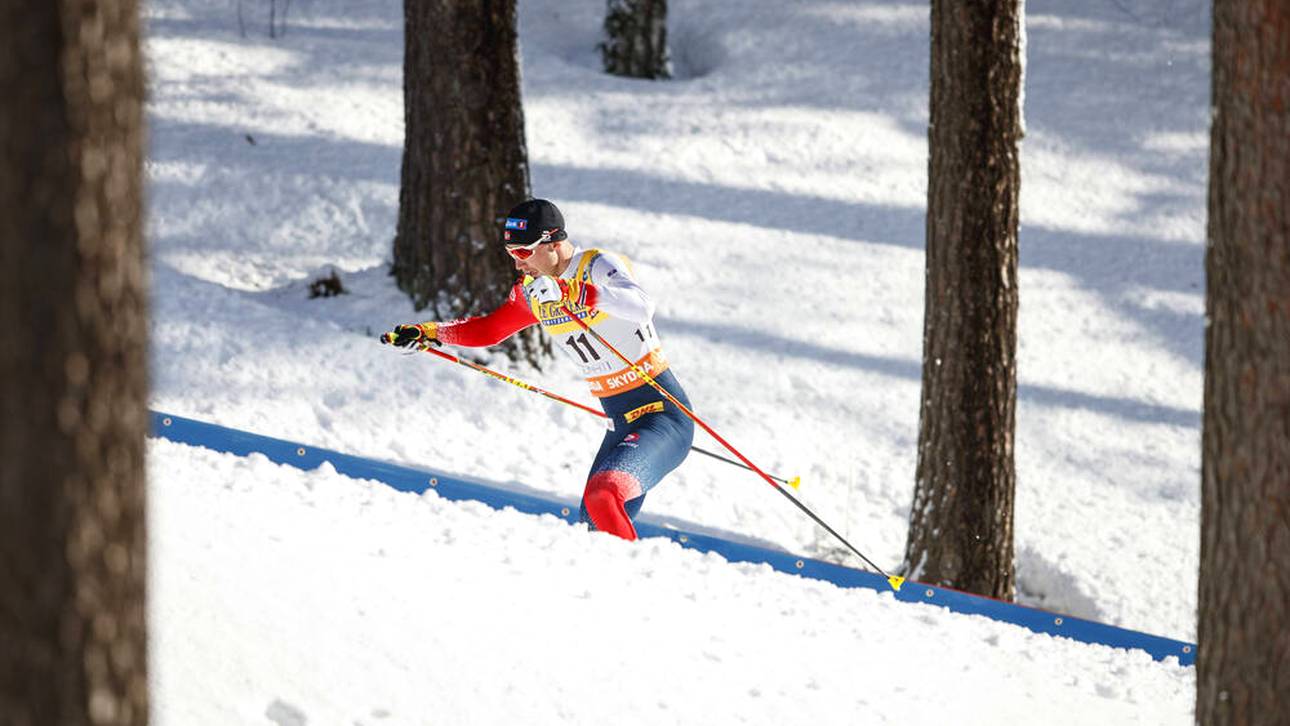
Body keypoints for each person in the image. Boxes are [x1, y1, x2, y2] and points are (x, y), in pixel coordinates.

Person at [380, 199, 694, 541]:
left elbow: (641, 306)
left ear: (554, 244)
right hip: (619, 423)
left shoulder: (596, 265)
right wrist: (432, 334)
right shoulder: (533, 292)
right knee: (594, 527)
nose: (517, 263)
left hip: (663, 415)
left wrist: (573, 291)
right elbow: (489, 330)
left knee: (603, 495)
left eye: (524, 252)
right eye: (510, 252)